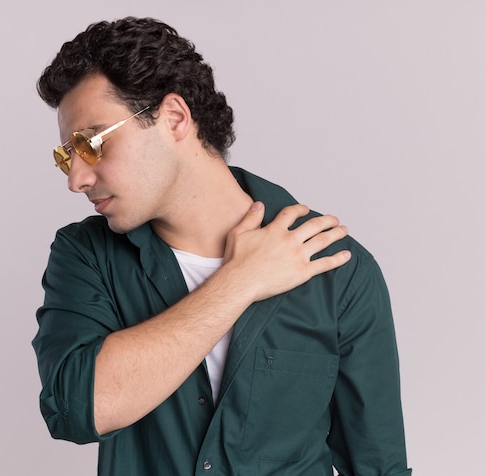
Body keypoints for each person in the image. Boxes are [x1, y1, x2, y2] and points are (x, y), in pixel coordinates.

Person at [32, 16, 411, 476]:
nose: (77, 179)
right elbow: (78, 408)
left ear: (173, 118)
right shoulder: (86, 256)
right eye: (66, 157)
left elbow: (377, 466)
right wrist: (239, 281)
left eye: (90, 144)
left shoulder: (336, 268)